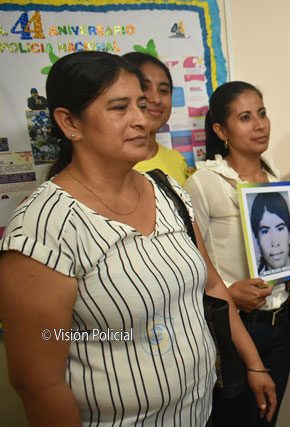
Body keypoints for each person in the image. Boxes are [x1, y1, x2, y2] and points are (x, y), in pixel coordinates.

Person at [0, 51, 276, 426]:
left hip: (201, 414)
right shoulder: (43, 227)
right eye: (119, 108)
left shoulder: (168, 192)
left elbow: (212, 286)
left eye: (142, 106)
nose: (141, 120)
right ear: (70, 123)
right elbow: (38, 384)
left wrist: (253, 364)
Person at [184, 81, 290, 427]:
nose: (259, 125)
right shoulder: (204, 182)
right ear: (221, 130)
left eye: (262, 113)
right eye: (245, 118)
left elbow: (278, 248)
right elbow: (191, 261)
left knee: (267, 417)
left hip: (279, 323)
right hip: (235, 327)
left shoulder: (273, 177)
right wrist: (230, 290)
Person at [122, 52, 191, 185]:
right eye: (144, 87)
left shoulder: (177, 160)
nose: (156, 99)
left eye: (164, 90)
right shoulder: (107, 164)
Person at [250, 192, 290, 274]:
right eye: (265, 232)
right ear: (257, 241)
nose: (274, 242)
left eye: (280, 229)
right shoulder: (256, 278)